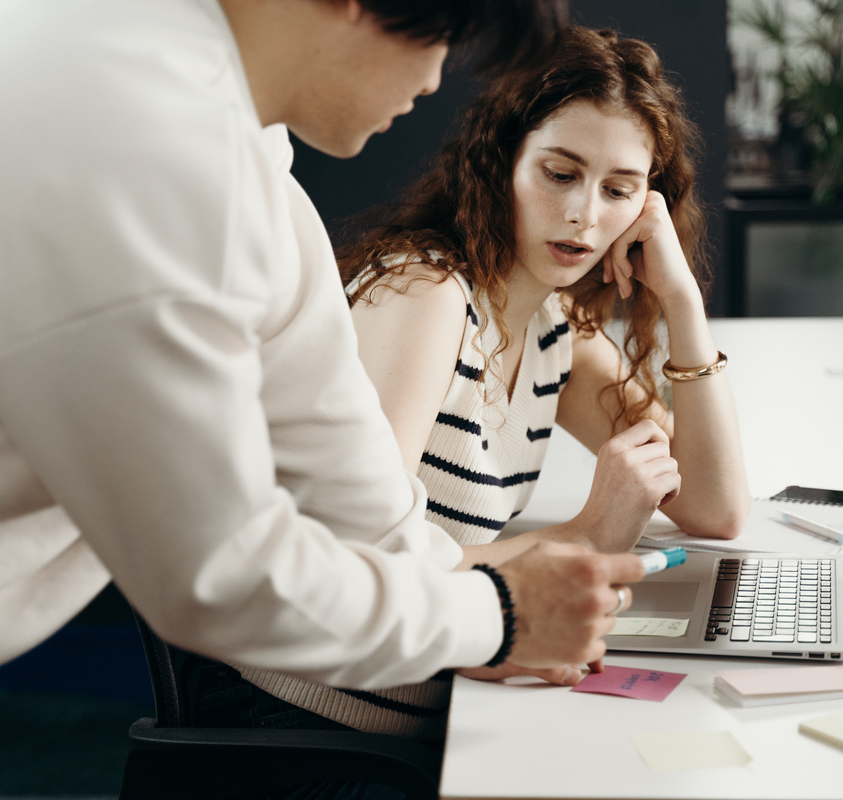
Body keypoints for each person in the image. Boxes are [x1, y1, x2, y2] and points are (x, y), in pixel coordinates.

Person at [0, 2, 655, 797]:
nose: (436, 77)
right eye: (439, 36)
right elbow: (218, 573)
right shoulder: (126, 129)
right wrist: (497, 618)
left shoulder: (242, 154)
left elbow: (363, 505)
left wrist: (506, 602)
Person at [209, 25, 750, 743]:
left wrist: (681, 299)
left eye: (619, 189)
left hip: (440, 706)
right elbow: (366, 559)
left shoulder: (556, 329)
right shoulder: (424, 294)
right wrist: (586, 534)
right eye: (560, 173)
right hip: (317, 729)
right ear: (502, 165)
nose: (586, 214)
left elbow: (714, 509)